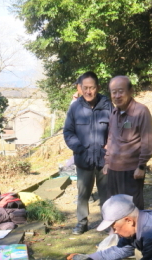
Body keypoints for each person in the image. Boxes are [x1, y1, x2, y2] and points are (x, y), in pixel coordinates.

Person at [63, 72, 112, 234]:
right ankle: (82, 222)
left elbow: (115, 130)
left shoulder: (107, 105)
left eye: (92, 88)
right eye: (85, 88)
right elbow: (68, 132)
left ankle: (108, 221)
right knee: (83, 193)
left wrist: (109, 149)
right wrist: (79, 149)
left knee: (106, 193)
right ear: (80, 88)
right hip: (83, 159)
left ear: (98, 87)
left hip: (104, 159)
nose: (88, 91)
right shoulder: (75, 107)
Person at [103, 76, 152, 210]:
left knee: (132, 209)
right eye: (114, 92)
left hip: (131, 170)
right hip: (113, 169)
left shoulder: (141, 111)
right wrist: (107, 161)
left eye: (121, 91)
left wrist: (141, 166)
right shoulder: (114, 113)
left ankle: (138, 225)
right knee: (115, 208)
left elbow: (147, 141)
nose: (117, 96)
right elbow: (111, 139)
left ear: (130, 91)